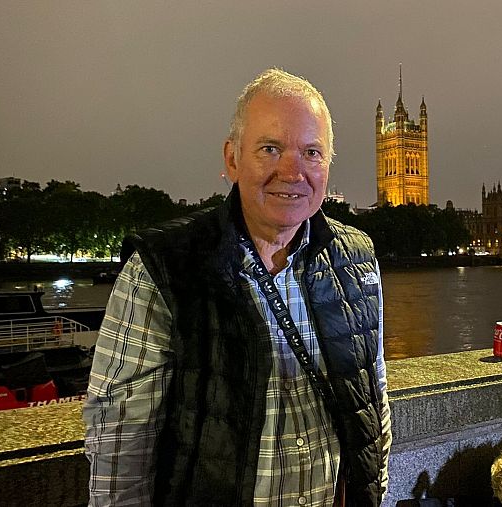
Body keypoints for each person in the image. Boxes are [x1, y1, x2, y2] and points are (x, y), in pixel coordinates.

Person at [83, 68, 391, 506]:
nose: (293, 171)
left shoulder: (357, 257)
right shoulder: (162, 269)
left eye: (312, 152)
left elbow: (374, 397)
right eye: (270, 149)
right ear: (232, 159)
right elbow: (119, 443)